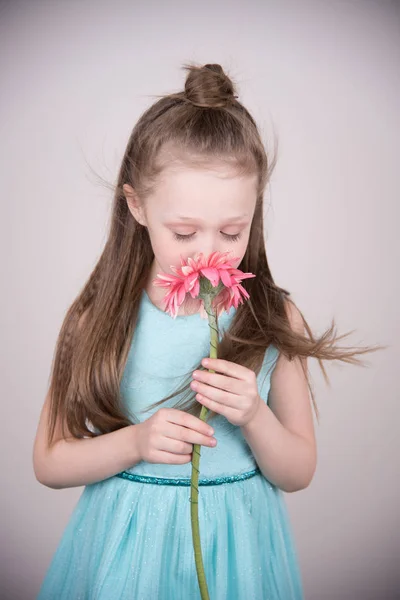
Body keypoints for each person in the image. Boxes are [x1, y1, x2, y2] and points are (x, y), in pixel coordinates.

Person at [33, 63, 381, 600]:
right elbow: (50, 462)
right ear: (136, 206)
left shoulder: (272, 318)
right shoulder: (96, 316)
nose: (208, 252)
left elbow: (298, 471)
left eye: (232, 230)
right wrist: (138, 441)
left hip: (237, 543)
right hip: (131, 545)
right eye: (184, 231)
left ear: (254, 211)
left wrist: (254, 416)